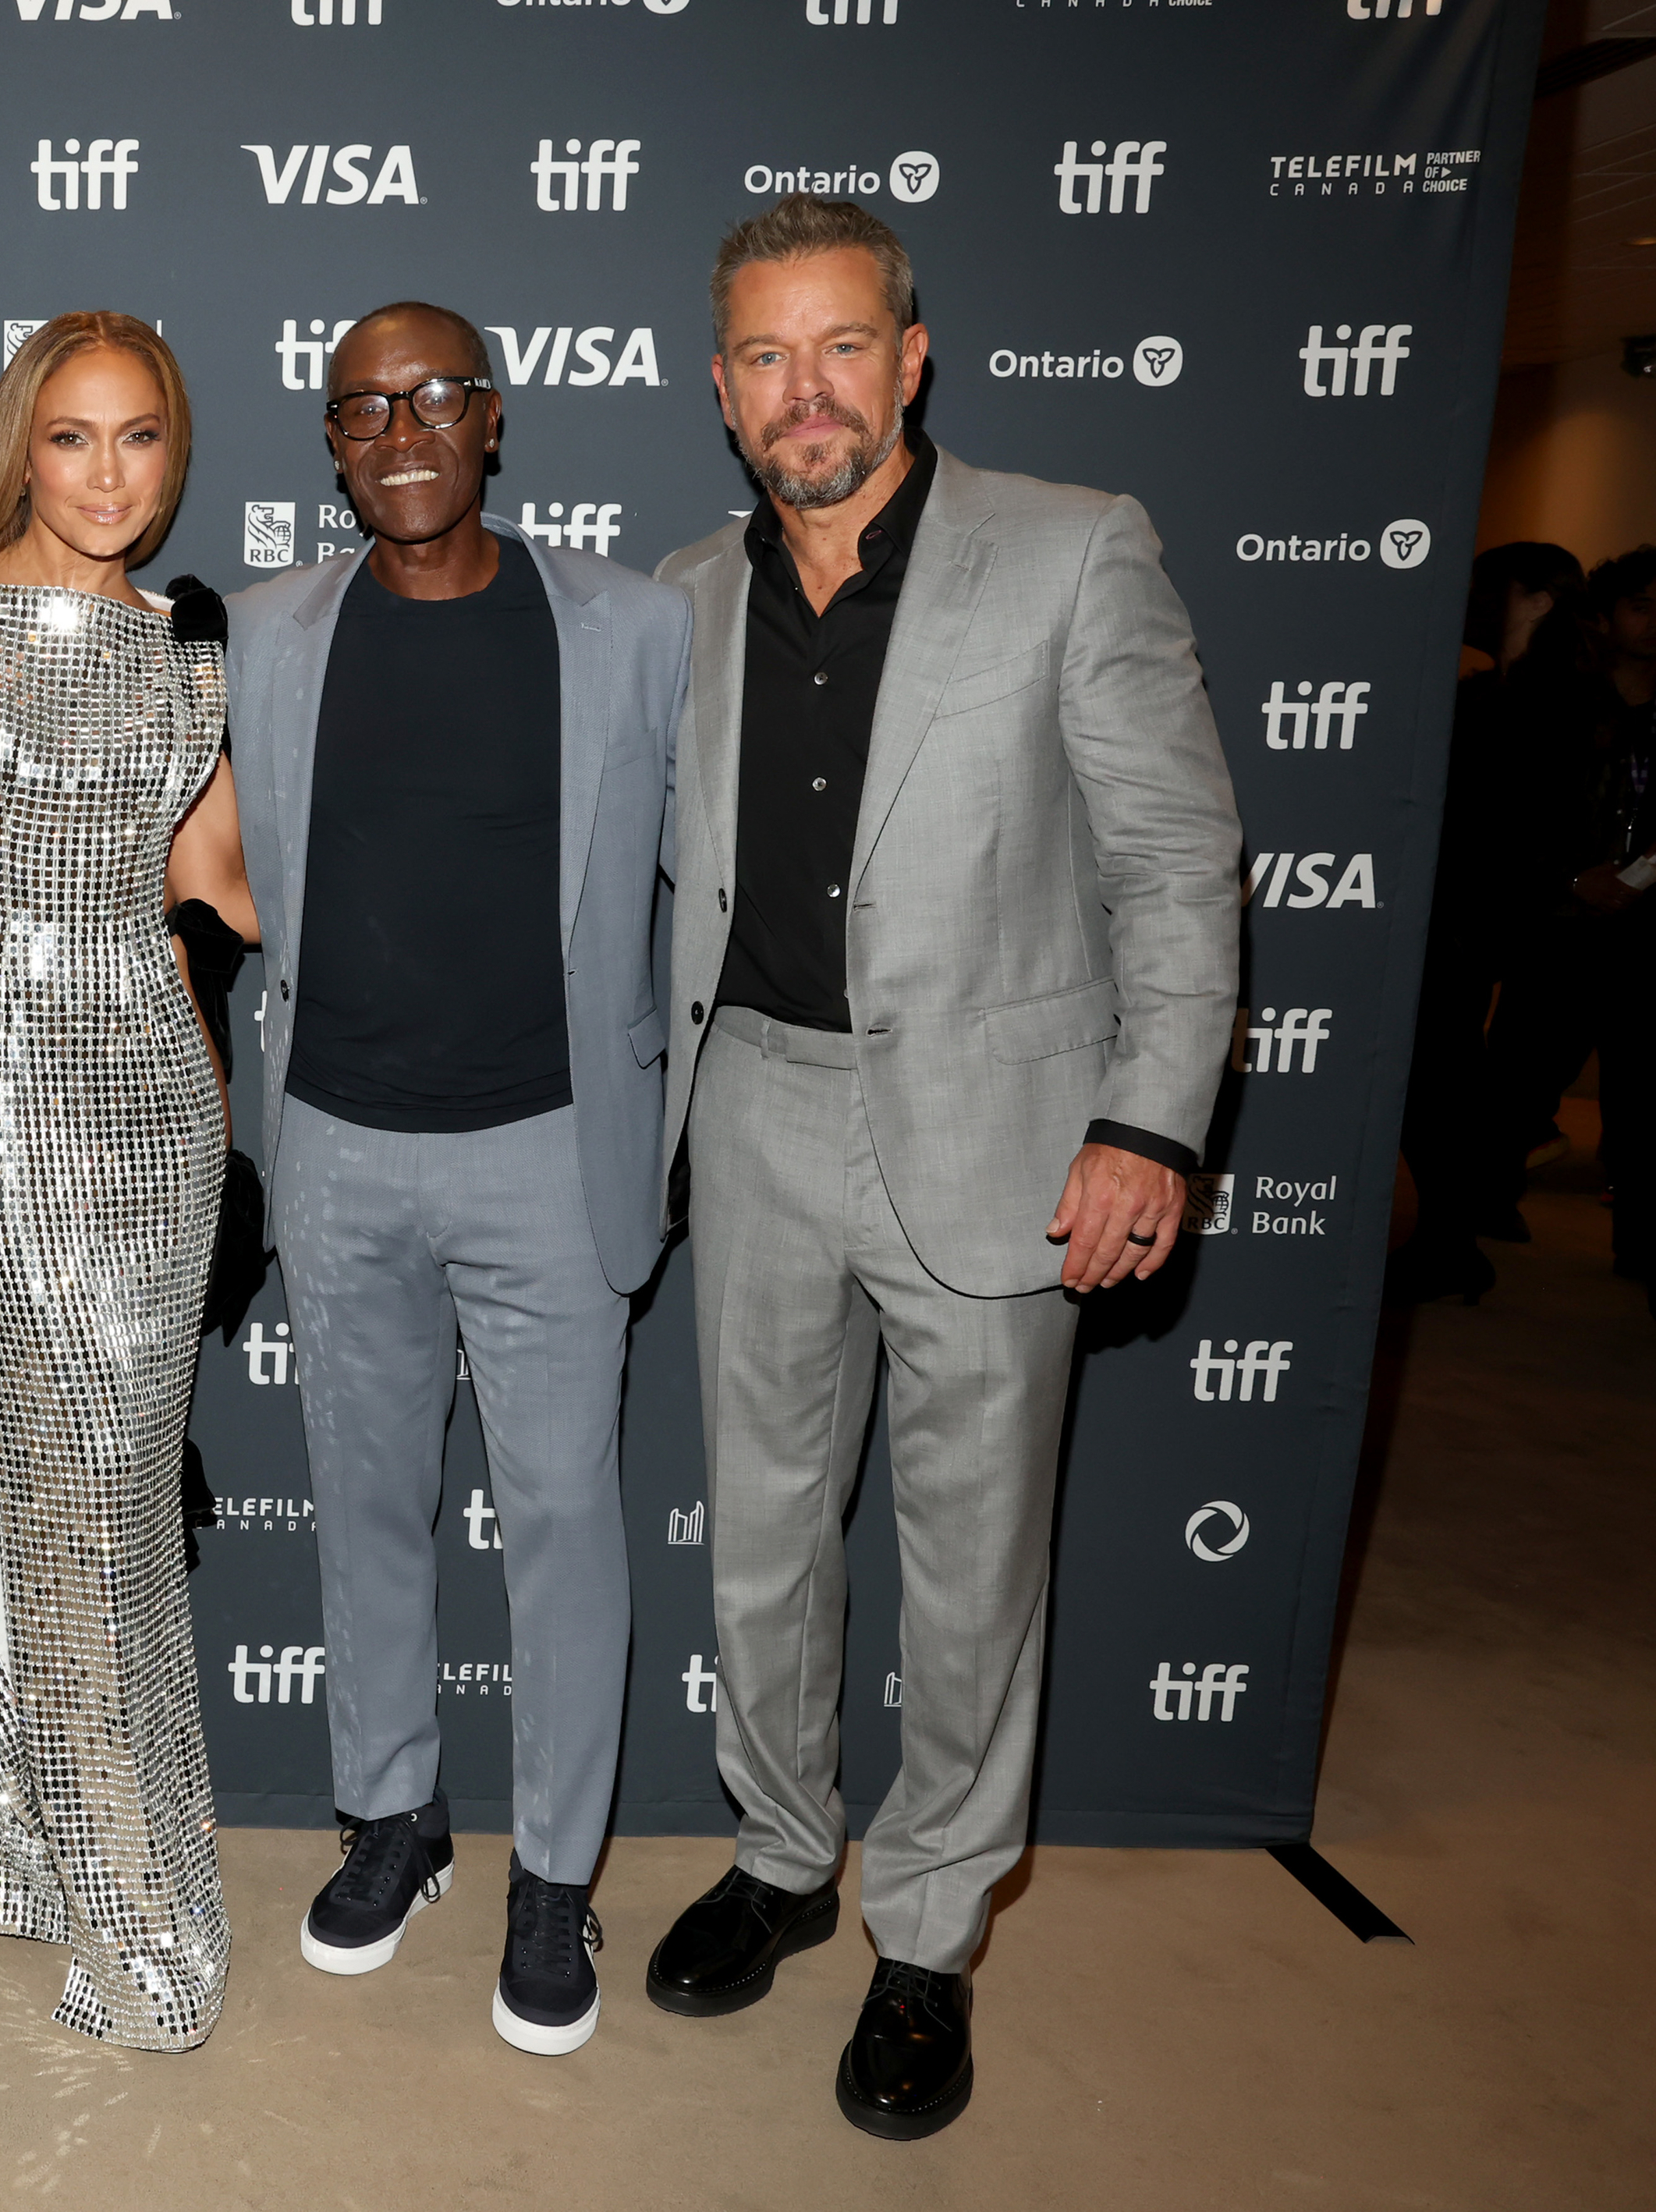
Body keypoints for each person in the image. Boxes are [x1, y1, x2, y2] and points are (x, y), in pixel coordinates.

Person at [644, 196, 1240, 2139]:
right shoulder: (686, 597)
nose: (801, 391)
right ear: (718, 386)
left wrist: (1149, 1121)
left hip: (1002, 1134)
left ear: (909, 358)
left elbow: (1170, 861)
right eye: (762, 356)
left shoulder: (1072, 552)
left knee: (970, 1571)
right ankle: (781, 1851)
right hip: (750, 1105)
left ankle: (923, 1940)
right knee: (758, 1539)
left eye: (839, 348)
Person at [223, 303, 686, 2058]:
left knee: (564, 1520)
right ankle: (393, 1815)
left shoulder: (633, 628)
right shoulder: (265, 630)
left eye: (429, 398)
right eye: (359, 407)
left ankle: (555, 1869)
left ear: (491, 420)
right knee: (368, 1504)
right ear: (330, 442)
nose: (397, 428)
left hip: (548, 1152)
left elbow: (706, 881)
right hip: (336, 1145)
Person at [0, 313, 252, 2051]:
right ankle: (151, 1937)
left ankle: (31, 1843)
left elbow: (210, 901)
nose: (105, 473)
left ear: (173, 452)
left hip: (158, 1113)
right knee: (72, 1521)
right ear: (21, 437)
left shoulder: (191, 643)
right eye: (71, 436)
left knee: (110, 1513)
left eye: (138, 438)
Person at [1386, 541, 1588, 1305]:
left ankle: (1444, 1242)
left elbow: (1534, 828)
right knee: (1439, 1082)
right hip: (1454, 918)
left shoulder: (1560, 705)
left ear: (1537, 599)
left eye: (1485, 588)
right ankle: (1443, 1237)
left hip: (1490, 927)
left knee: (1451, 1085)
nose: (1468, 600)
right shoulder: (1481, 694)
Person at [1478, 546, 1654, 1305]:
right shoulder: (1559, 703)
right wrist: (1571, 878)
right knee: (1517, 1075)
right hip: (1556, 920)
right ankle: (1476, 1206)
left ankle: (1644, 1247)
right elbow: (1513, 815)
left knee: (1645, 1093)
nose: (1655, 622)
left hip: (1646, 929)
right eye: (1641, 604)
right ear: (1605, 616)